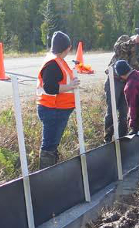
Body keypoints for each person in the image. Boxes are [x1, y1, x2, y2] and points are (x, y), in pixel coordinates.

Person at [103, 25, 139, 142]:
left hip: (127, 84)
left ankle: (121, 139)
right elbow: (118, 49)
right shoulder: (125, 39)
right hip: (114, 80)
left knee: (124, 113)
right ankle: (107, 139)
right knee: (111, 110)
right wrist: (133, 42)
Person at [37, 31, 80, 168]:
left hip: (57, 110)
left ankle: (50, 171)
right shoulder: (53, 63)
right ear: (67, 48)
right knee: (49, 147)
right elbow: (50, 87)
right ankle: (46, 176)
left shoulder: (57, 61)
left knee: (52, 145)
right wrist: (70, 86)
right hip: (53, 110)